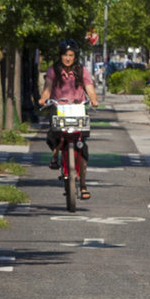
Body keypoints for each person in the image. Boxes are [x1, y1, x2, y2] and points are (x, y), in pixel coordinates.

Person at [42, 42, 101, 201]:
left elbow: (89, 88)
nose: (67, 58)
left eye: (70, 55)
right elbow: (47, 88)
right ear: (60, 56)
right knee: (53, 135)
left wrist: (94, 100)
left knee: (82, 147)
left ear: (75, 57)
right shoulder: (53, 70)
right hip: (59, 109)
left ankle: (83, 185)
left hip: (77, 109)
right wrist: (43, 99)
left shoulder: (82, 71)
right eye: (65, 55)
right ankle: (55, 154)